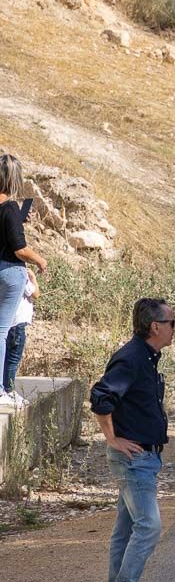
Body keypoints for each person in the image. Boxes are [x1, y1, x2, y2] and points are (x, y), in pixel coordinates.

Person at [90, 298, 175, 582]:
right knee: (149, 526)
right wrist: (113, 439)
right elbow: (101, 397)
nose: (174, 330)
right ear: (155, 326)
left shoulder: (146, 357)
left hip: (142, 458)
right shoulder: (132, 358)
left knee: (125, 529)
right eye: (172, 323)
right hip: (134, 459)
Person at [0, 155, 47, 402]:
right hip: (9, 272)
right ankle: (3, 390)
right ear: (14, 179)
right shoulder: (9, 208)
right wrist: (39, 259)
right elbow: (19, 248)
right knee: (3, 332)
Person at [1, 266, 36, 406]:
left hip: (8, 323)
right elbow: (35, 293)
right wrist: (33, 278)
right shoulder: (21, 276)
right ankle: (8, 390)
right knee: (13, 359)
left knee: (7, 358)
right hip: (18, 323)